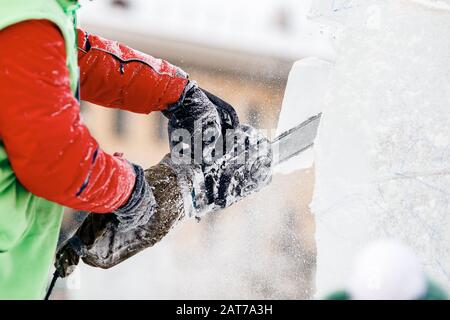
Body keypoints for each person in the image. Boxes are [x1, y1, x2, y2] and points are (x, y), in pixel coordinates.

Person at [0, 0, 272, 299]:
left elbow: (68, 58)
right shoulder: (25, 19)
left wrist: (175, 91)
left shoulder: (30, 15)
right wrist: (132, 191)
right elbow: (55, 161)